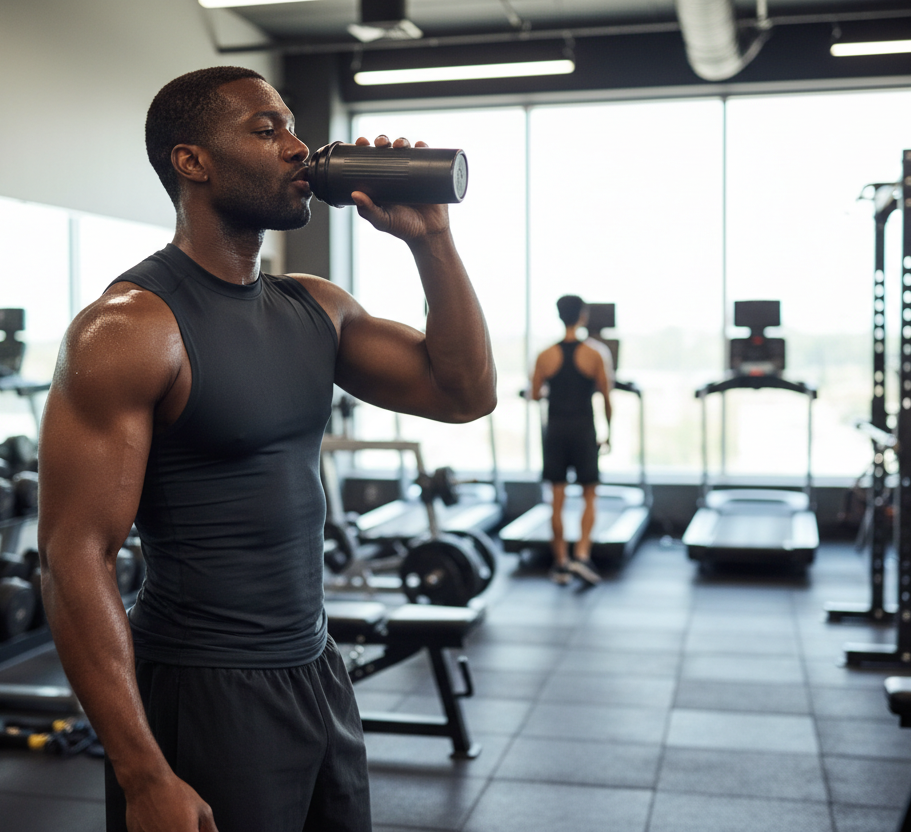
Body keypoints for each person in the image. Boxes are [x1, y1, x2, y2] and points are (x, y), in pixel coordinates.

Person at [37, 66, 496, 832]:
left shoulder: (315, 305)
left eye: (292, 125)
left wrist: (432, 243)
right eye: (267, 129)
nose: (298, 148)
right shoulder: (130, 330)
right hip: (202, 684)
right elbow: (72, 556)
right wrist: (145, 773)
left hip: (315, 668)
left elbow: (462, 394)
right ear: (193, 162)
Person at [529, 294, 613, 587]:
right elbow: (606, 397)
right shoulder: (595, 353)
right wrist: (609, 433)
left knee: (557, 499)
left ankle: (561, 564)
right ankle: (582, 556)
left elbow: (535, 394)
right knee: (590, 494)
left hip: (555, 430)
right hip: (583, 429)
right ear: (582, 316)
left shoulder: (544, 355)